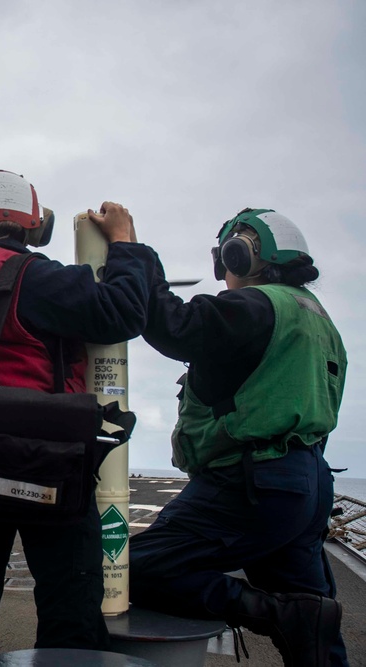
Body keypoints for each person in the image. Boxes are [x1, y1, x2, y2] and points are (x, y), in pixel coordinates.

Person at [0, 169, 157, 666]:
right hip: (44, 463)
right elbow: (123, 314)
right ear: (35, 226)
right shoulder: (32, 276)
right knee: (72, 619)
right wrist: (126, 245)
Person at [128, 208, 348, 667]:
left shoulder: (256, 305)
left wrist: (133, 253)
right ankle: (298, 619)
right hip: (306, 484)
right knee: (315, 627)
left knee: (126, 569)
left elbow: (176, 327)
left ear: (240, 254)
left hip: (249, 483)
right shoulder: (320, 323)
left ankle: (272, 613)